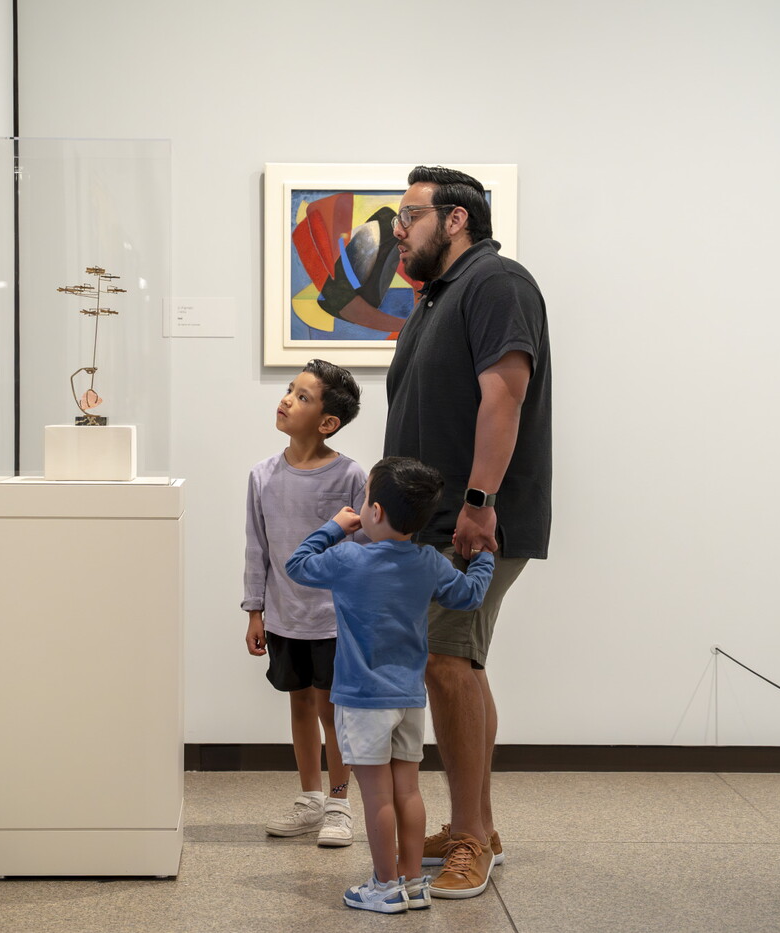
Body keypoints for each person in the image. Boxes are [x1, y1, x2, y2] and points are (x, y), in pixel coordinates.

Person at [384, 165, 552, 898]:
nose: (397, 228)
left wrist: (480, 502)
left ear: (455, 220)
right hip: (440, 518)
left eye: (409, 214)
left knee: (449, 662)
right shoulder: (435, 300)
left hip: (474, 517)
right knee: (457, 663)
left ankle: (473, 837)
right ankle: (476, 821)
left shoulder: (496, 282)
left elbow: (504, 393)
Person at [286, 456, 494, 913]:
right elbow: (470, 596)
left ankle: (384, 886)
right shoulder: (428, 563)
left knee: (377, 796)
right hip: (408, 700)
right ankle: (412, 881)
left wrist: (335, 527)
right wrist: (485, 559)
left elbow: (297, 565)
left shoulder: (347, 557)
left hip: (363, 702)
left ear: (374, 511)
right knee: (408, 791)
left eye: (363, 501)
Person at [242, 358, 366, 846]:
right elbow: (257, 546)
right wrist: (255, 609)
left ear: (328, 422)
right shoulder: (261, 475)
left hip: (335, 620)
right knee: (298, 705)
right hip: (284, 616)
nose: (287, 399)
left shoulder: (351, 476)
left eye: (303, 396)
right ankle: (310, 799)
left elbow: (362, 552)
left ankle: (339, 803)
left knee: (332, 712)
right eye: (290, 390)